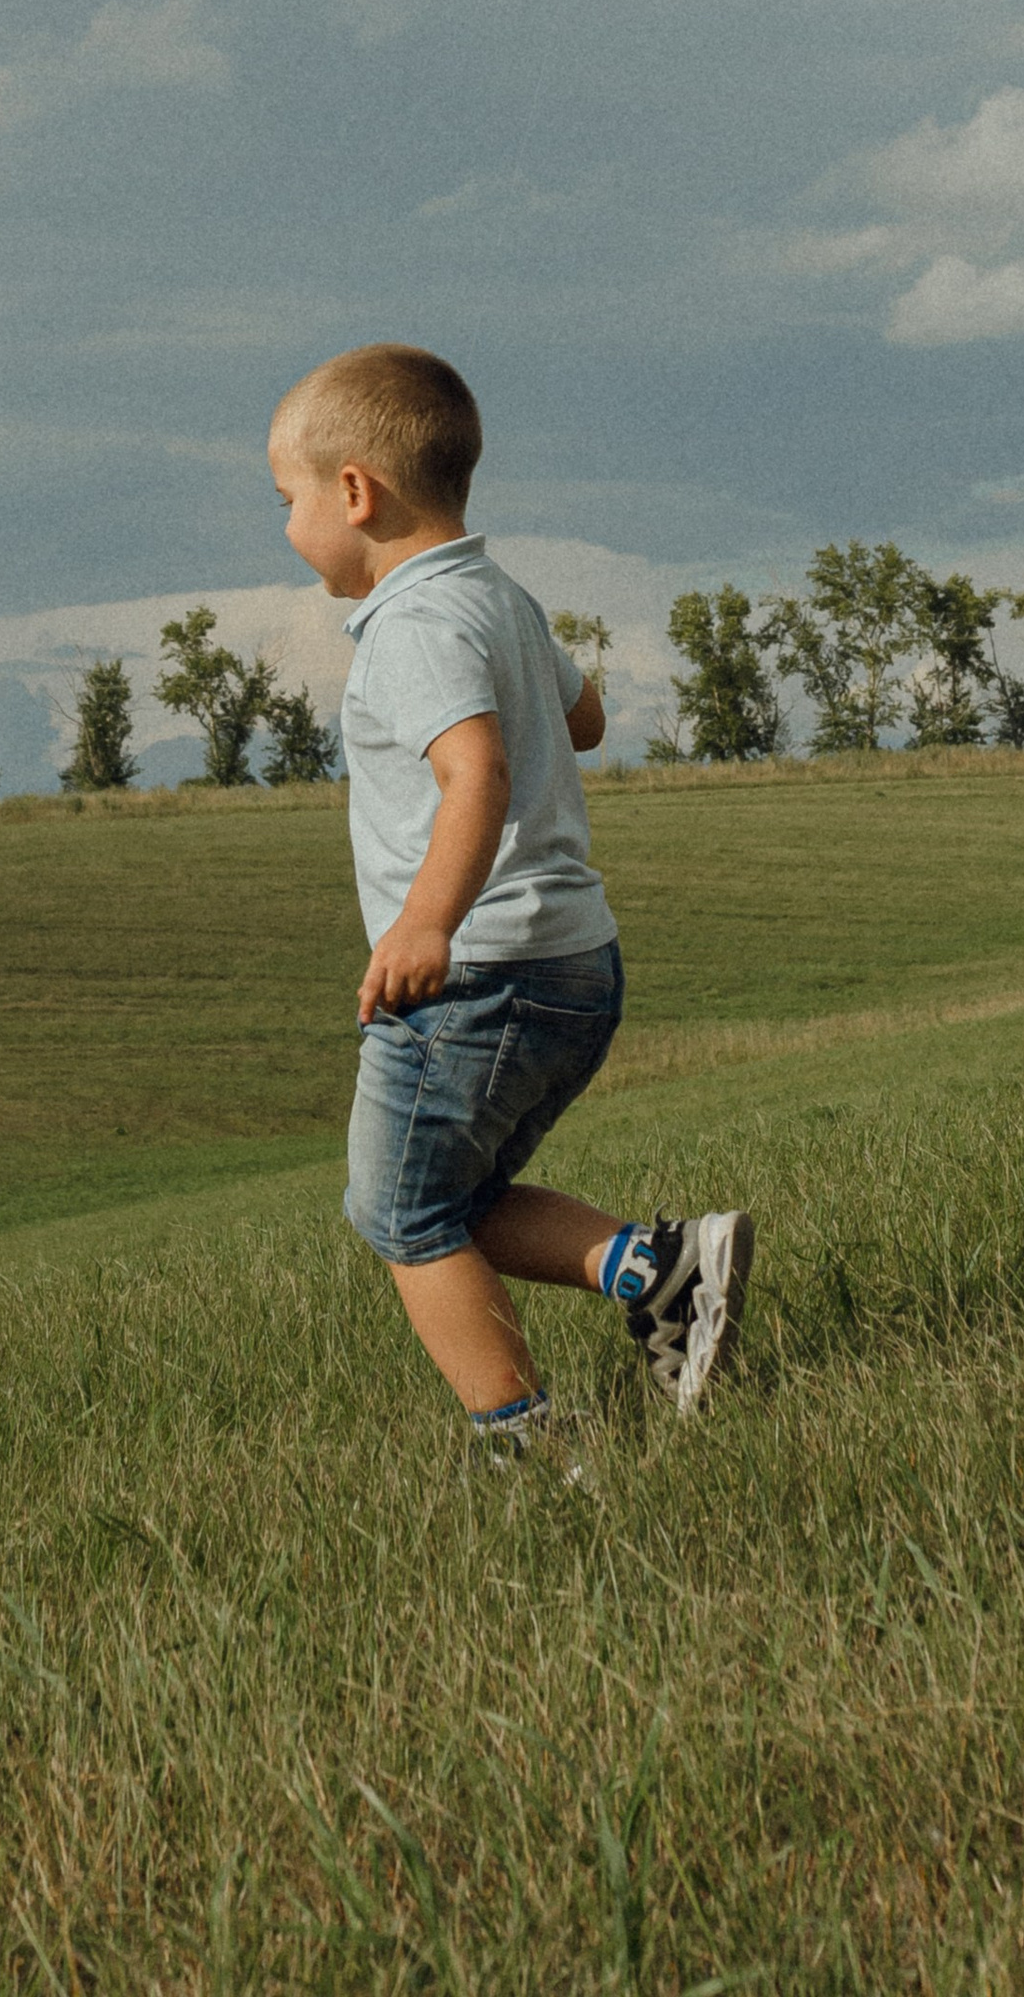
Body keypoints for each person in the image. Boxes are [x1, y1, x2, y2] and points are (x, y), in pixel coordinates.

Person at [271, 340, 752, 1458]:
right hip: (574, 967)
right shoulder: (497, 596)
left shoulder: (410, 623)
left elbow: (473, 769)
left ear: (355, 491)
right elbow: (581, 724)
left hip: (474, 978)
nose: (288, 527)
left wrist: (426, 920)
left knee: (400, 1213)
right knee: (455, 1193)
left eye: (286, 498)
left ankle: (525, 1444)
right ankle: (659, 1268)